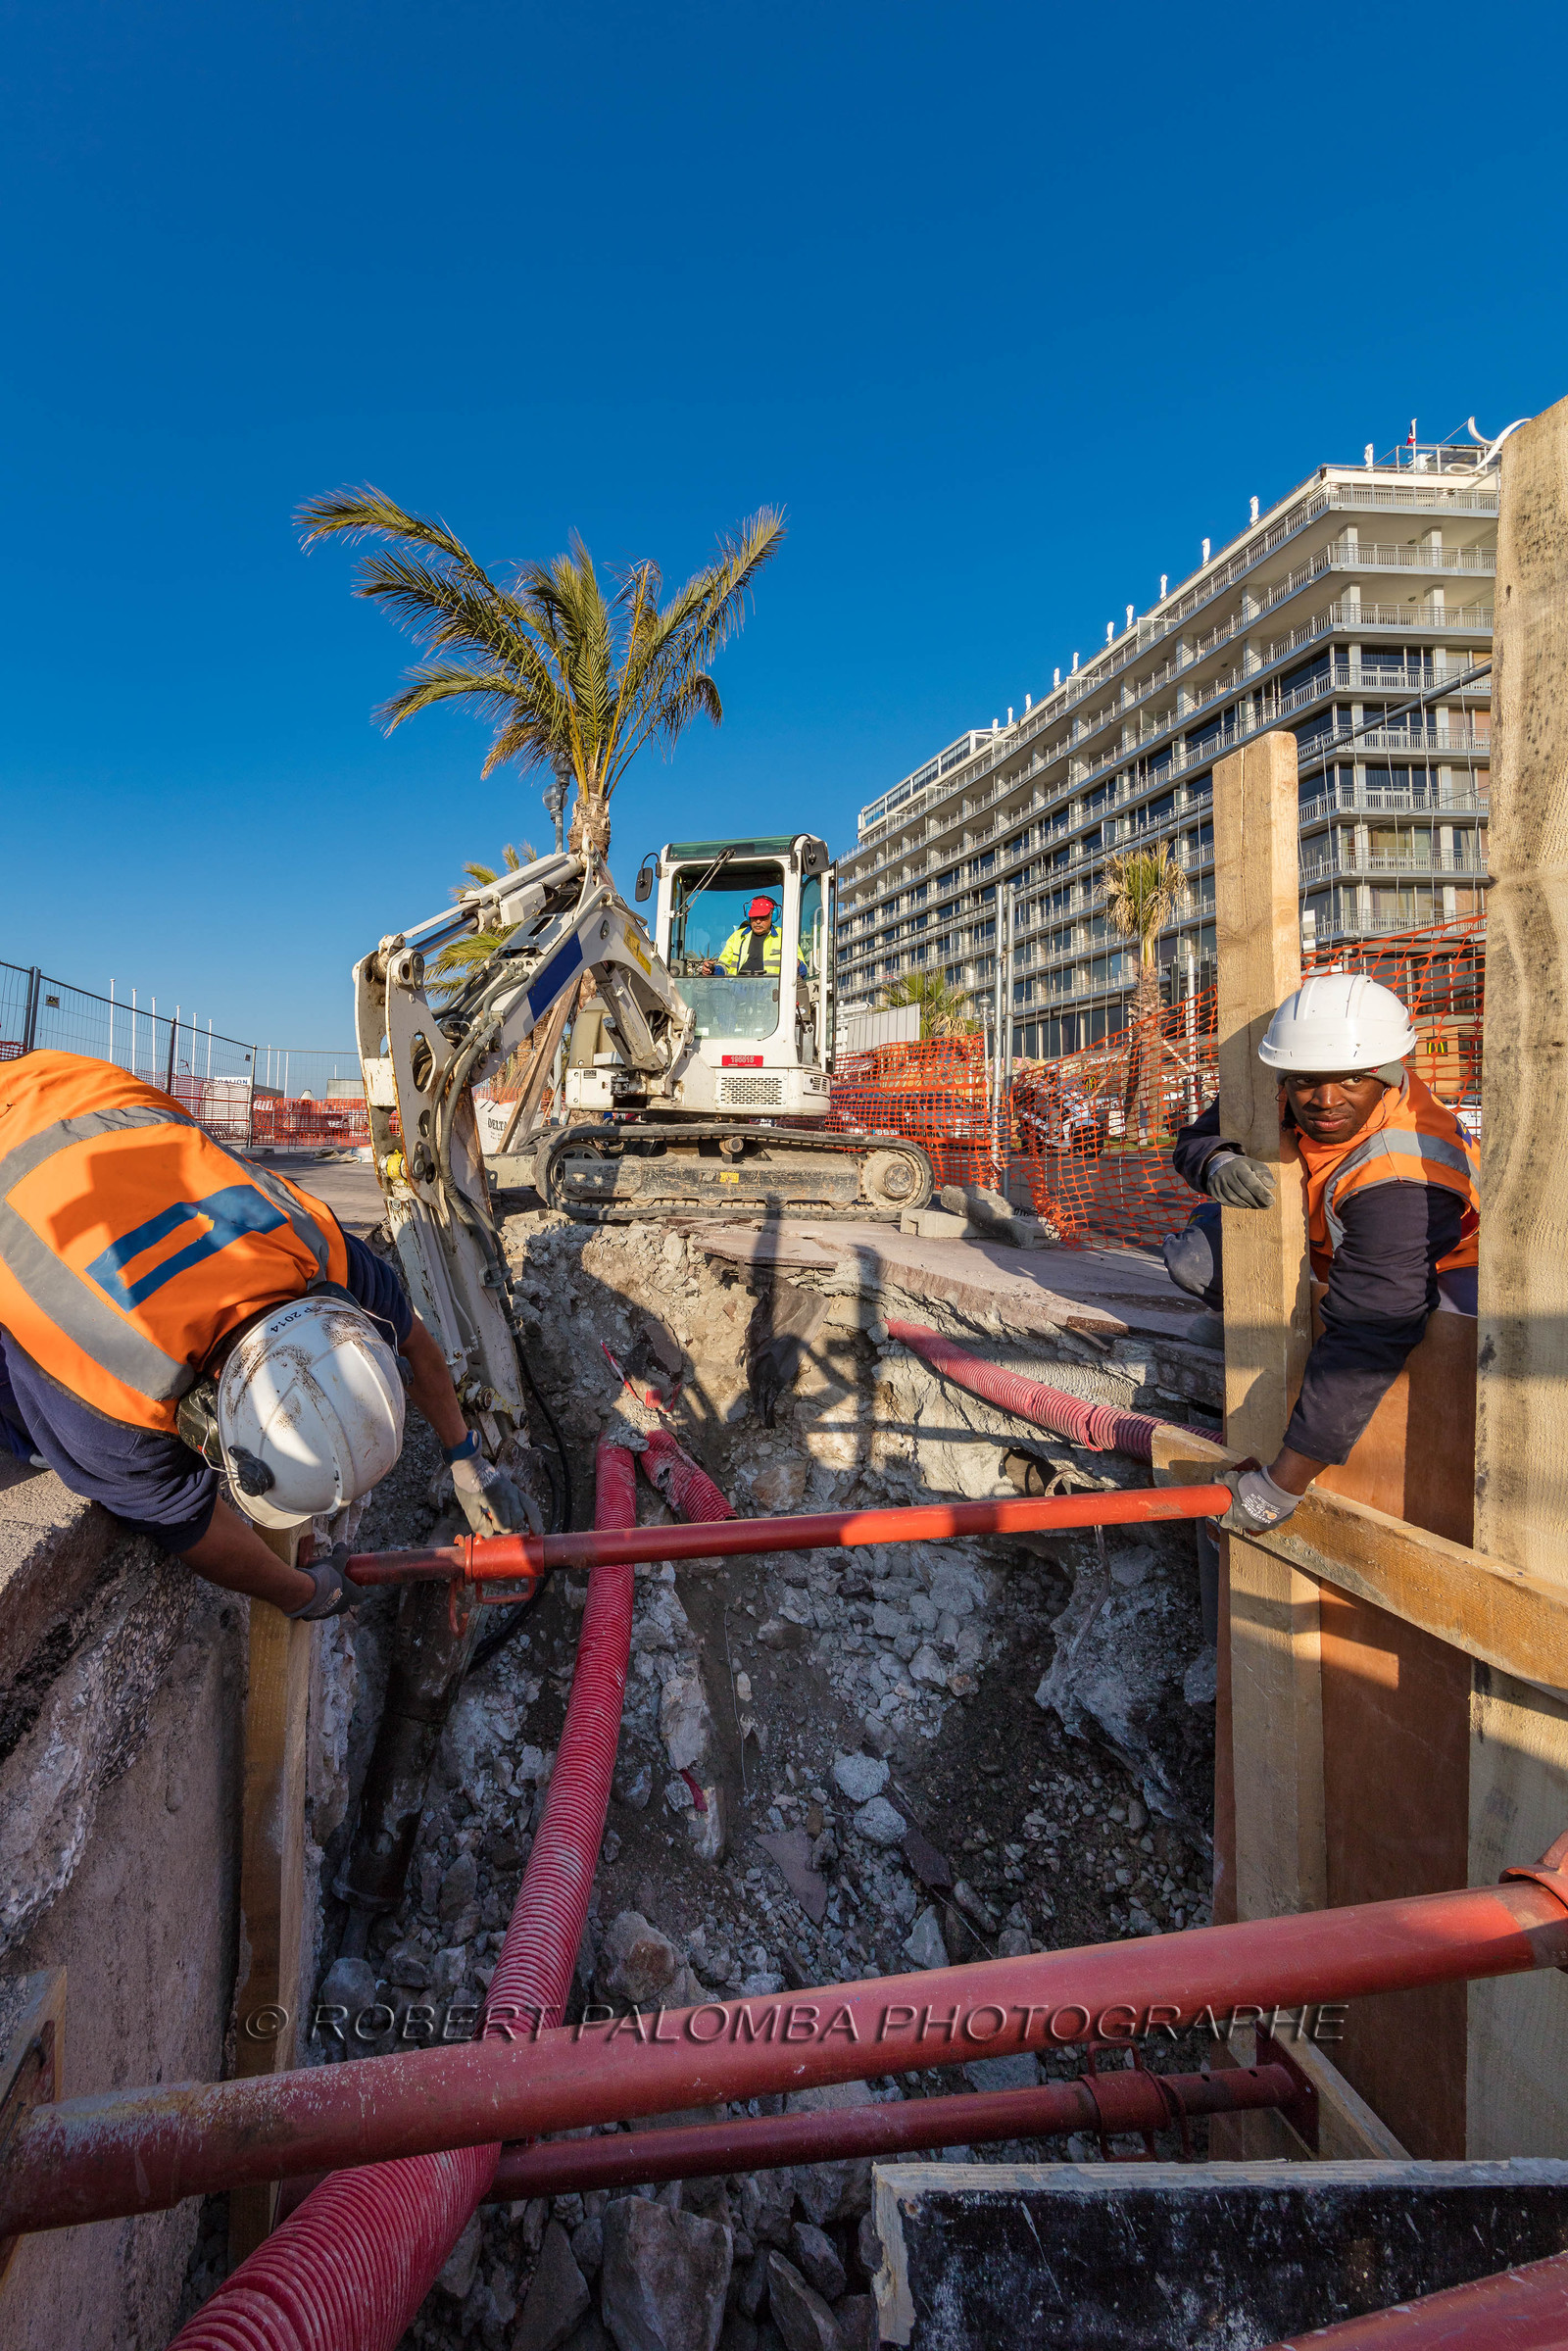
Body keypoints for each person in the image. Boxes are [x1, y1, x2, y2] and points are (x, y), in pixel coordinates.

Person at [0, 1051, 533, 1620]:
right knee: (27, 1424)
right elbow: (182, 1519)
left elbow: (415, 1341)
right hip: (57, 1113)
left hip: (83, 1089)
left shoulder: (319, 1250)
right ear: (208, 1427)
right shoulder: (113, 1396)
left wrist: (468, 1462)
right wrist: (300, 1593)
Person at [1166, 973, 1479, 1537]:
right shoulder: (1282, 1087)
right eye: (1306, 1082)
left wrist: (1278, 1488)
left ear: (1387, 1076)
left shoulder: (1404, 1179)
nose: (1325, 1101)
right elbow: (1193, 1138)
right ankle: (1258, 1320)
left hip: (1441, 1263)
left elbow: (1371, 1329)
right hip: (1331, 1249)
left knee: (1445, 1343)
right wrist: (1215, 1160)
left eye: (1352, 1081)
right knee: (1198, 1258)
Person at [705, 895, 783, 977]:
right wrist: (712, 970)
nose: (758, 921)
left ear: (772, 916)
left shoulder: (785, 937)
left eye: (763, 917)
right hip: (737, 988)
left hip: (773, 989)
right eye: (754, 917)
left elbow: (797, 965)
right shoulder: (737, 937)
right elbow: (724, 966)